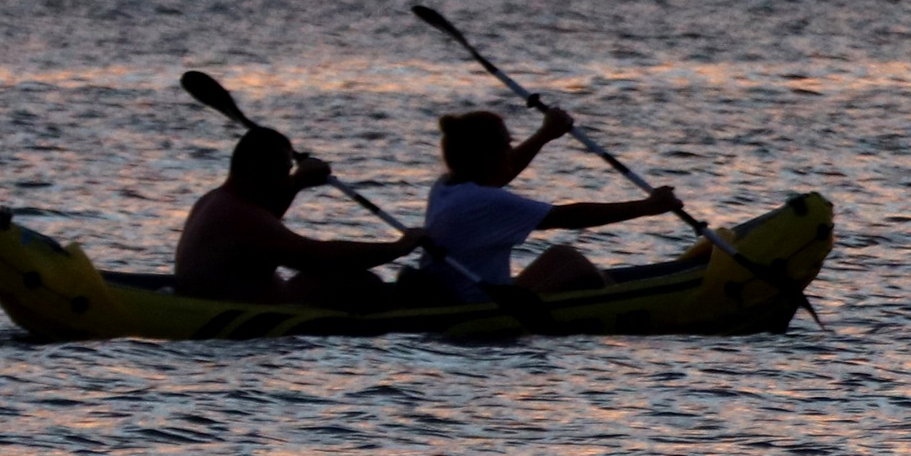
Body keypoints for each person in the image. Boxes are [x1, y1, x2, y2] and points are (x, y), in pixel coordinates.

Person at [422, 105, 679, 299]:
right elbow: (569, 217)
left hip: (471, 293)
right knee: (577, 268)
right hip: (479, 304)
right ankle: (627, 302)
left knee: (562, 256)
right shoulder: (485, 200)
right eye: (506, 146)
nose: (511, 153)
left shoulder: (446, 187)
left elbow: (503, 172)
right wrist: (647, 207)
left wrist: (545, 134)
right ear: (484, 157)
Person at [173, 127, 425, 307]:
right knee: (361, 284)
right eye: (282, 172)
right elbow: (317, 258)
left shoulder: (215, 199)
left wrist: (299, 183)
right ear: (256, 171)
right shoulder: (240, 216)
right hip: (249, 313)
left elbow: (265, 222)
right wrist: (397, 249)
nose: (287, 179)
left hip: (243, 299)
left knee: (353, 281)